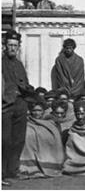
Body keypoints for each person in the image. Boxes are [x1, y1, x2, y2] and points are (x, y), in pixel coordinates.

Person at [2, 31, 32, 185]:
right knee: (4, 140)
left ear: (19, 47)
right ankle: (2, 174)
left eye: (15, 46)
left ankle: (12, 171)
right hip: (5, 106)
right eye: (10, 45)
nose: (12, 48)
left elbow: (24, 82)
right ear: (4, 46)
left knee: (18, 140)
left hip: (20, 104)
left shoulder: (19, 64)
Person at [19, 97, 64, 178]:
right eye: (34, 110)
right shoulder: (26, 123)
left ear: (43, 111)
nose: (36, 113)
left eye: (39, 110)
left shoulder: (50, 123)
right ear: (30, 111)